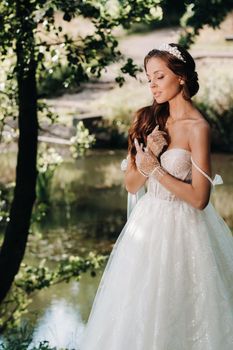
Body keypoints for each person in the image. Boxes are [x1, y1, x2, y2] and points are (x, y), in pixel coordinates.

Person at [79, 43, 233, 350]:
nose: (152, 84)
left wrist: (158, 171)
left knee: (185, 313)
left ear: (181, 78)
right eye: (149, 77)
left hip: (187, 231)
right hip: (147, 228)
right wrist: (150, 152)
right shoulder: (148, 120)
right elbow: (132, 185)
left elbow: (200, 198)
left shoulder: (198, 128)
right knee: (138, 312)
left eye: (159, 76)